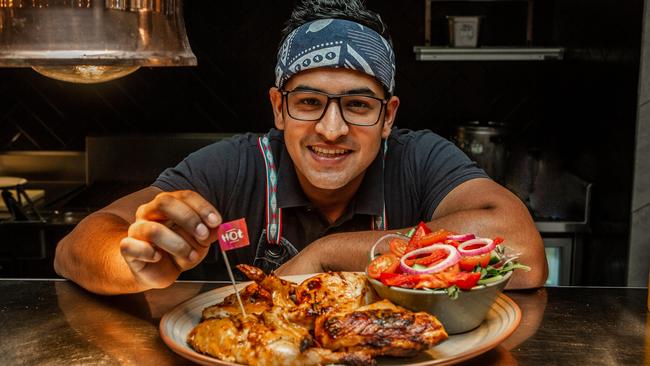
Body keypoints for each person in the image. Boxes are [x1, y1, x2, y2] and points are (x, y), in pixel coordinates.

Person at [54, 0, 548, 295]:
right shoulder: (234, 165)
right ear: (278, 108)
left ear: (388, 117)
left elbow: (522, 249)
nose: (331, 129)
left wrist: (326, 254)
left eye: (357, 105)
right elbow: (76, 247)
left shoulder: (418, 158)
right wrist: (137, 267)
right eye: (309, 101)